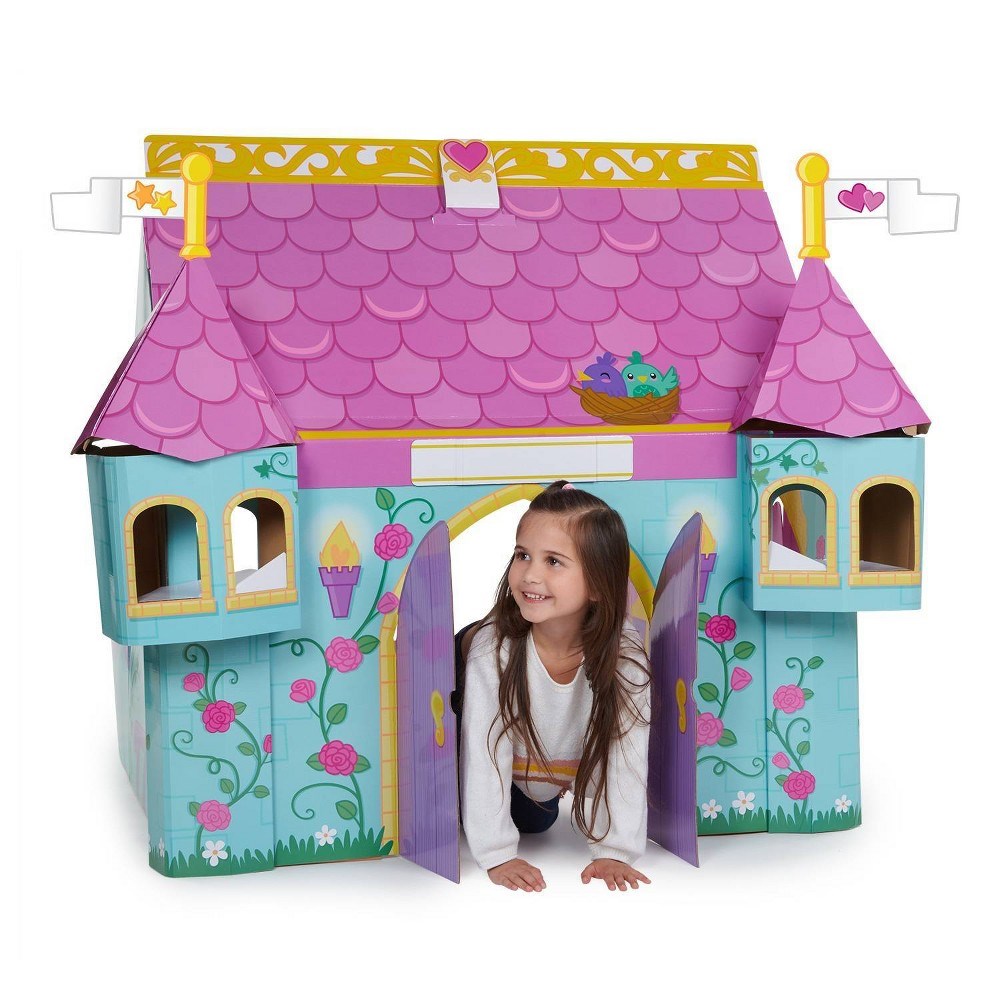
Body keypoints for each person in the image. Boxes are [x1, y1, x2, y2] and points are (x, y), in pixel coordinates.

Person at [454, 480, 652, 892]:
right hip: (484, 739)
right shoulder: (495, 649)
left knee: (536, 821)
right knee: (463, 801)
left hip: (543, 773)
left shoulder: (625, 656)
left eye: (554, 561)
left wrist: (615, 849)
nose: (530, 574)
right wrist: (496, 853)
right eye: (522, 555)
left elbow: (626, 753)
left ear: (597, 583)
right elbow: (484, 749)